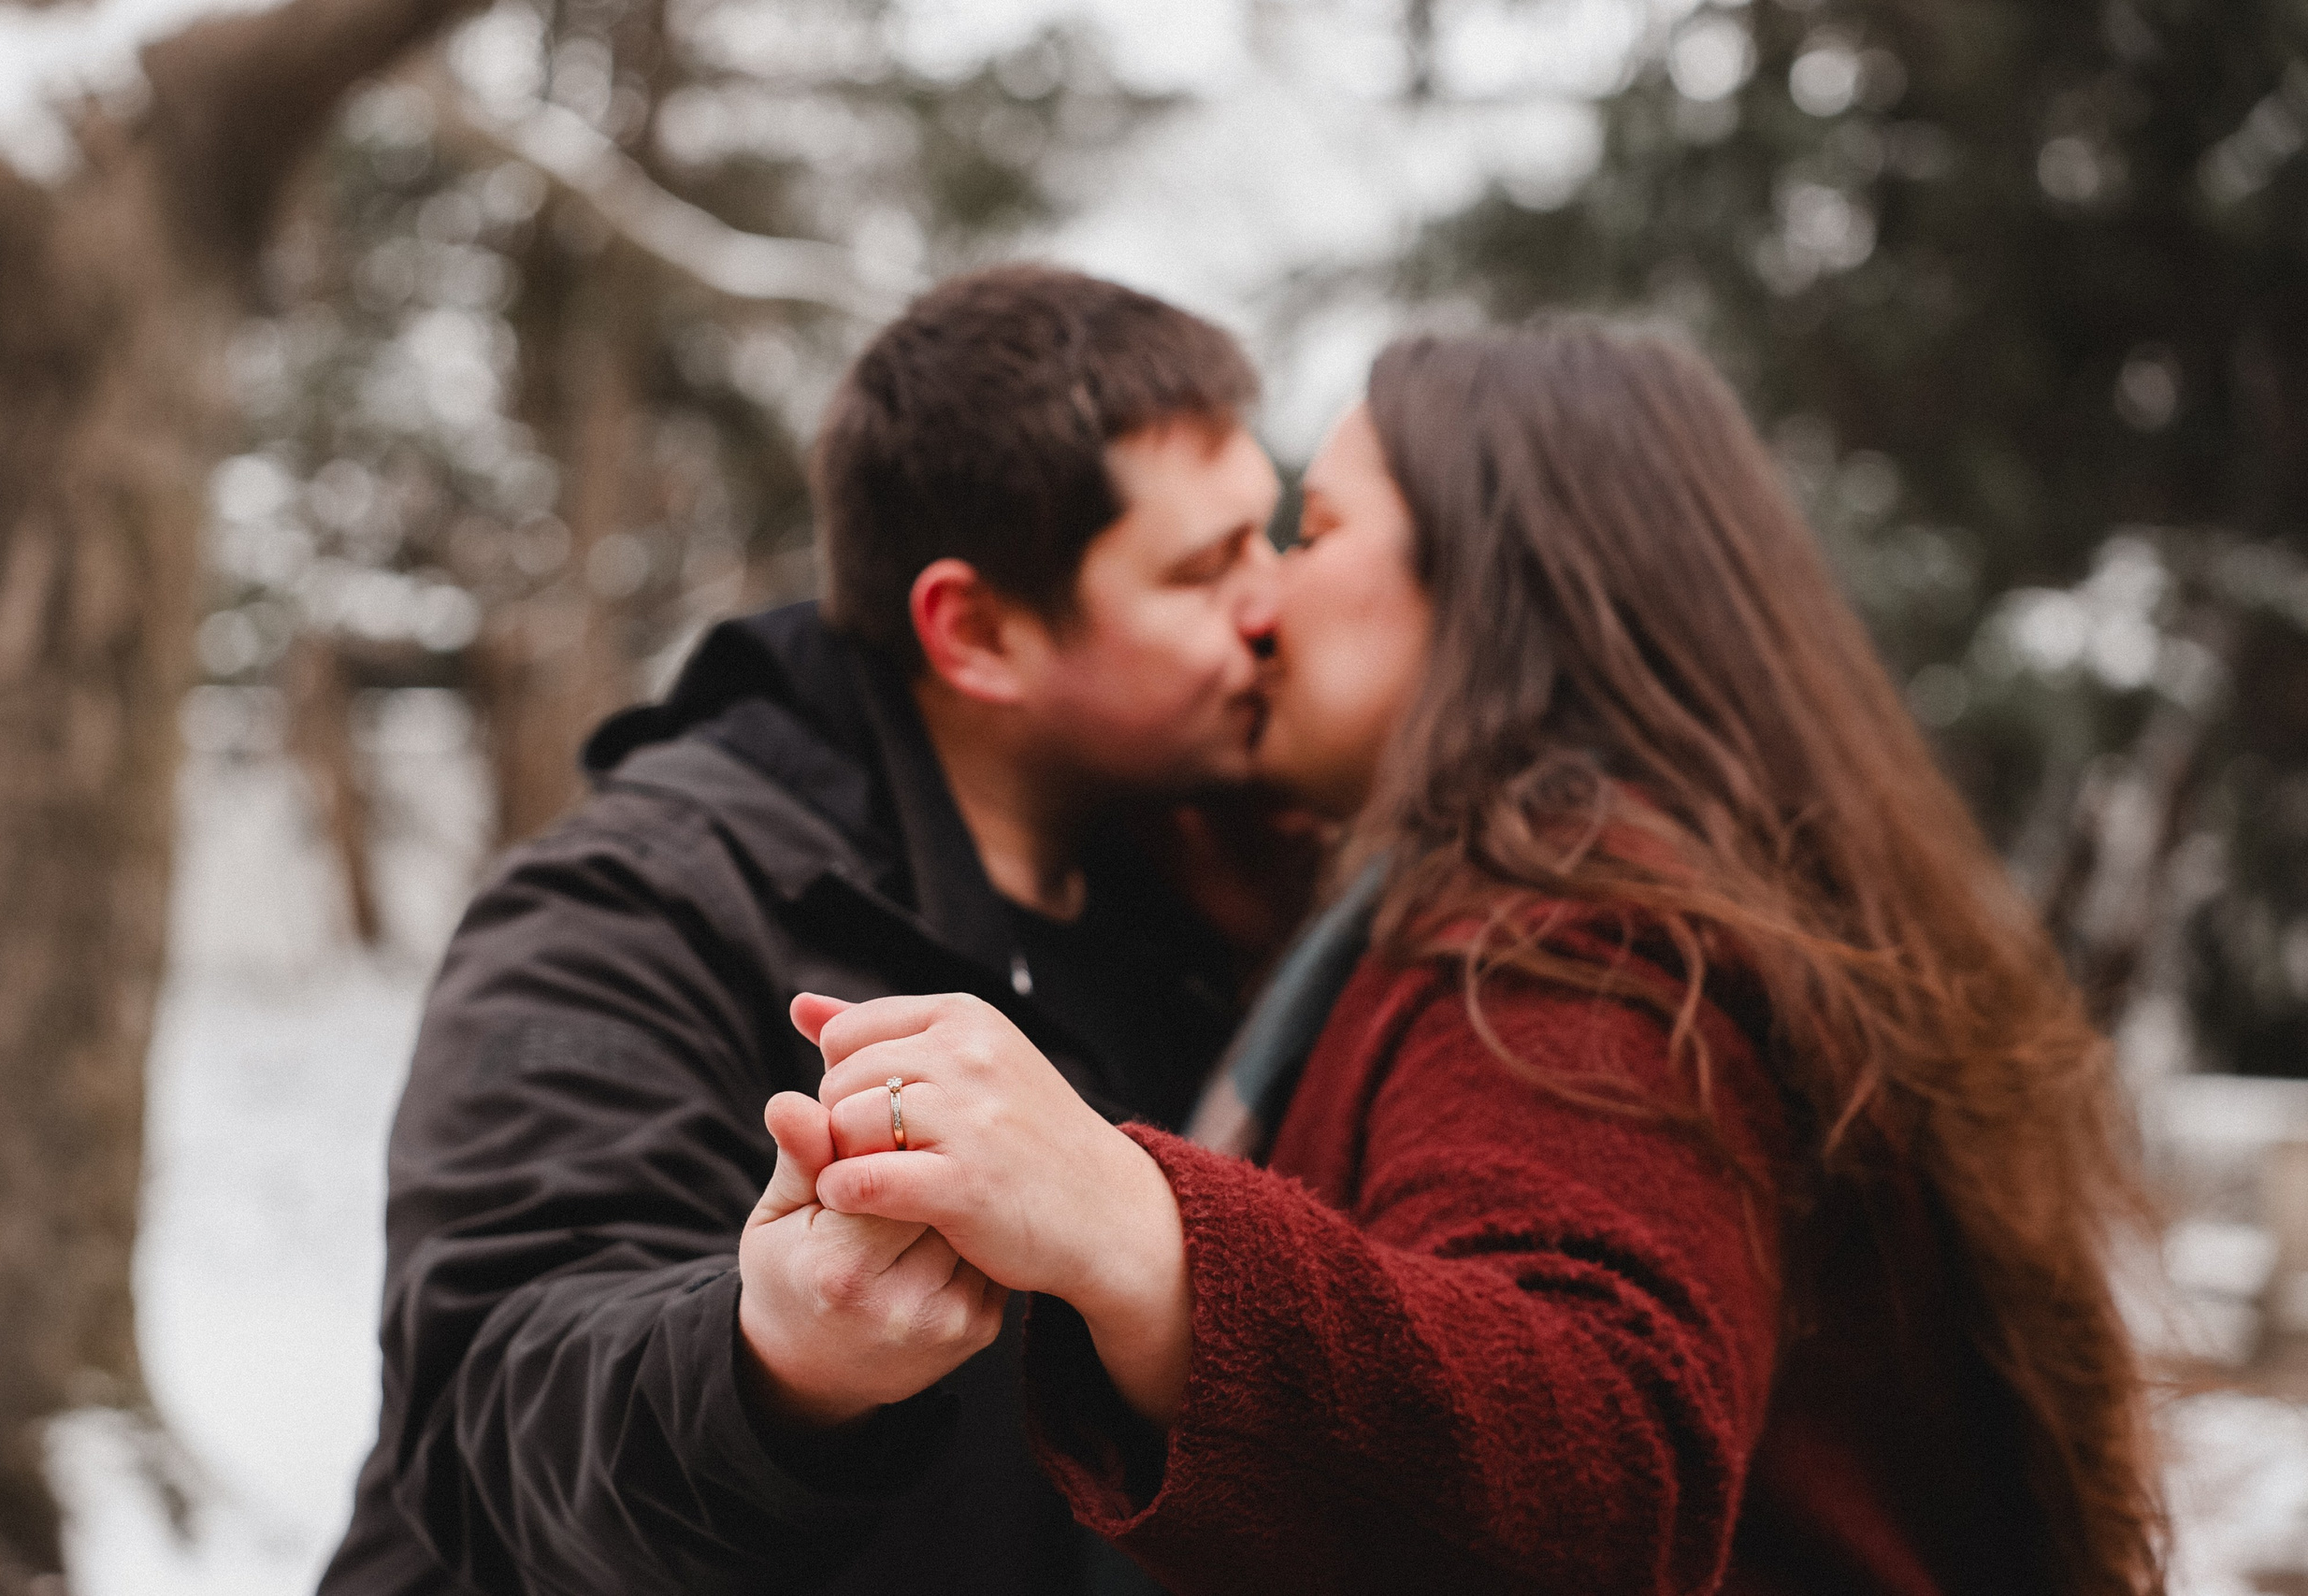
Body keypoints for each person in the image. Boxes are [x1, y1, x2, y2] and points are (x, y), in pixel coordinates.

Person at [793, 320, 2167, 1594]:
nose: (1260, 610)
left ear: (1497, 580)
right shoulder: (1611, 880)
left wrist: (1137, 1233)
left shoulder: (1579, 933)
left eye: (1313, 533)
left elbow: (1603, 1456)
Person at [316, 264, 1304, 1595]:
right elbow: (487, 1415)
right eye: (1204, 569)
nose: (1272, 604)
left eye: (1269, 538)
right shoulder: (635, 905)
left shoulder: (1193, 896)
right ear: (977, 631)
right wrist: (774, 1368)